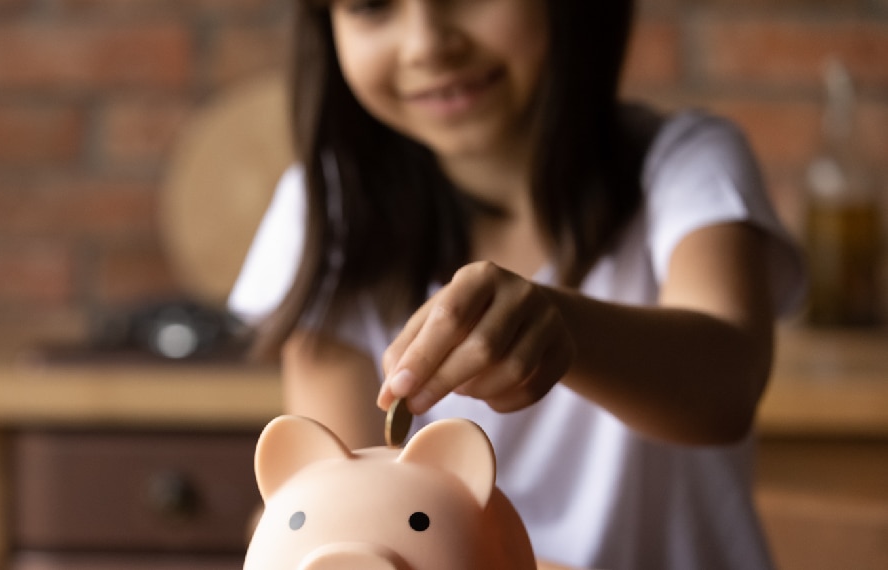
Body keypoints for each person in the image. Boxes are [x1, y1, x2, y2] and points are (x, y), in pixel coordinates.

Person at [228, 0, 805, 568]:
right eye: (372, 6)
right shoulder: (324, 210)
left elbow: (726, 386)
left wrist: (569, 328)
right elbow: (339, 500)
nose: (427, 43)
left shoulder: (688, 165)